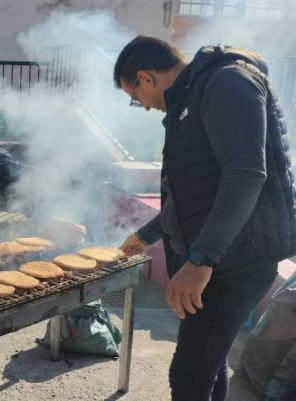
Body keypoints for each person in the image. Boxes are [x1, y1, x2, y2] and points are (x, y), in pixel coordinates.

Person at [113, 35, 296, 401]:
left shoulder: (228, 82)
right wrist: (147, 234)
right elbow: (197, 191)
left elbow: (245, 175)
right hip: (218, 258)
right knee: (206, 365)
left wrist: (200, 260)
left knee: (188, 375)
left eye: (136, 98)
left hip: (240, 260)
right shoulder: (191, 96)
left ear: (145, 78)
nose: (144, 106)